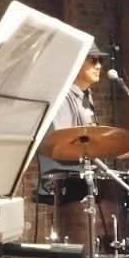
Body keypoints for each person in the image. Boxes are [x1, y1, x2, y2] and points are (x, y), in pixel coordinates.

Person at [36, 41, 108, 202]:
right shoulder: (63, 96)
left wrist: (112, 145)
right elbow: (63, 145)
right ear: (76, 63)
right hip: (64, 182)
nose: (99, 66)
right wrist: (104, 146)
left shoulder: (85, 95)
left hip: (83, 177)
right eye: (93, 60)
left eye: (100, 61)